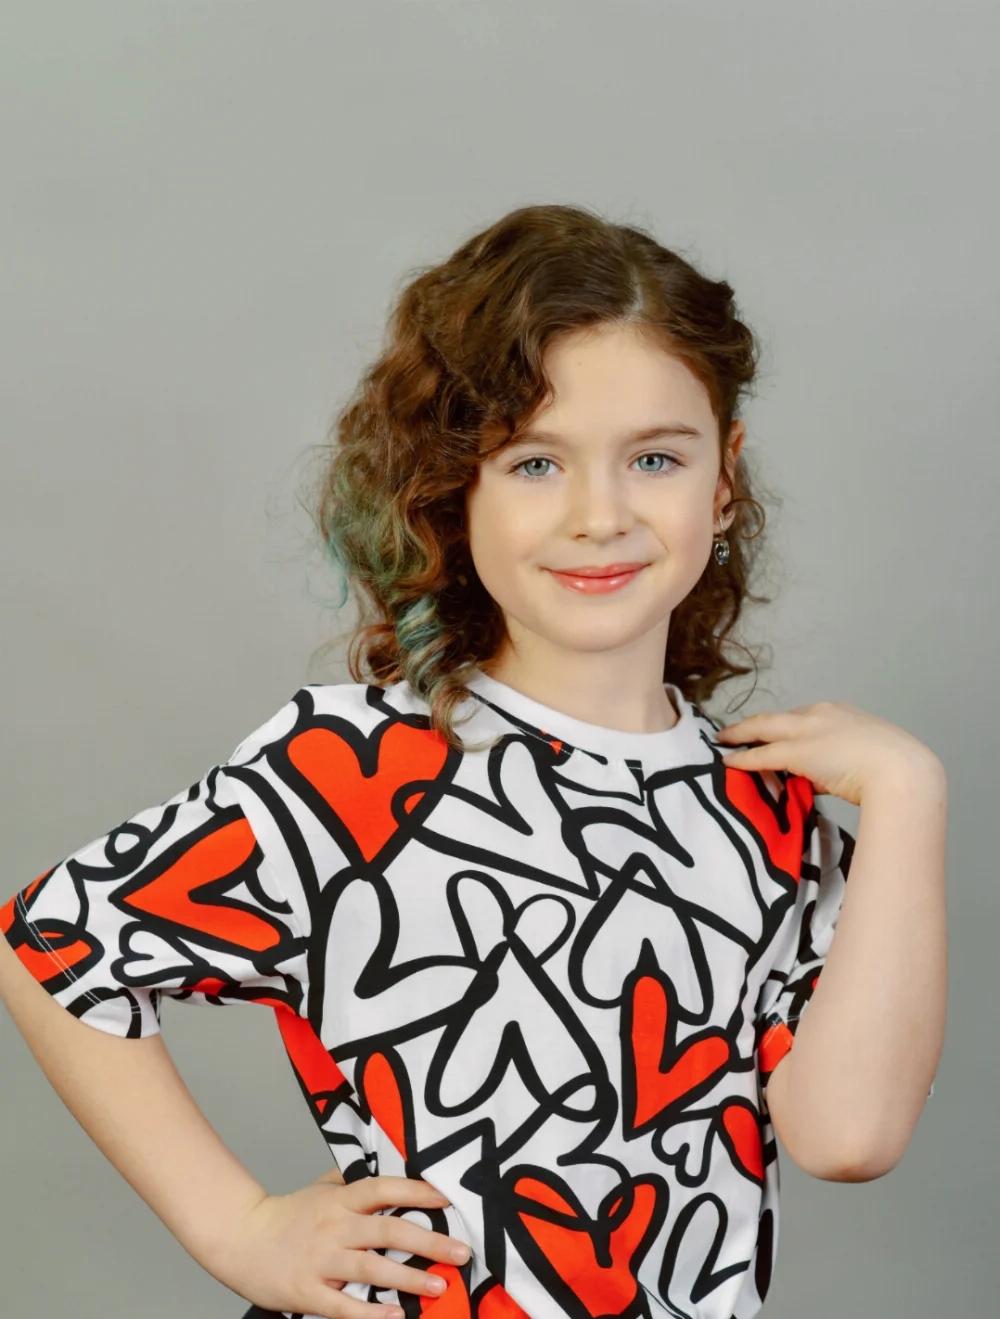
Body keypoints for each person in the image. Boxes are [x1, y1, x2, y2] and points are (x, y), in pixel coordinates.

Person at [0, 202, 947, 1319]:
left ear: (723, 480)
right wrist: (238, 1225)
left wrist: (907, 798)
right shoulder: (360, 768)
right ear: (457, 487)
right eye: (535, 462)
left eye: (654, 457)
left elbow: (847, 1134)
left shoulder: (768, 818)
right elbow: (54, 945)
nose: (600, 515)